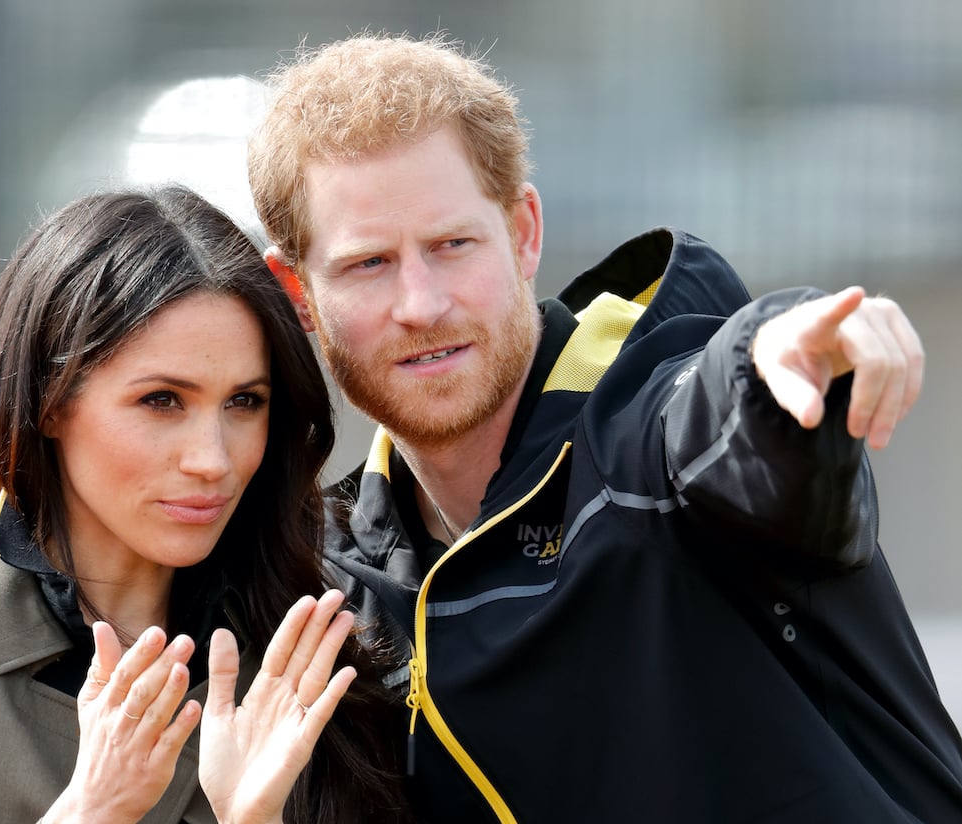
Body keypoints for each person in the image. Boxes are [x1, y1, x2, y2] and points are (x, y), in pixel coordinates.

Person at [247, 32, 962, 823]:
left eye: (452, 245)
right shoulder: (332, 591)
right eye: (368, 264)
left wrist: (777, 354)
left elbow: (721, 410)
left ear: (523, 233)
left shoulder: (648, 434)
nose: (421, 303)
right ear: (297, 292)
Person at [0, 186, 411, 823]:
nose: (213, 459)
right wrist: (89, 812)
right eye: (162, 400)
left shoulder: (317, 646)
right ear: (50, 401)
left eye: (244, 401)